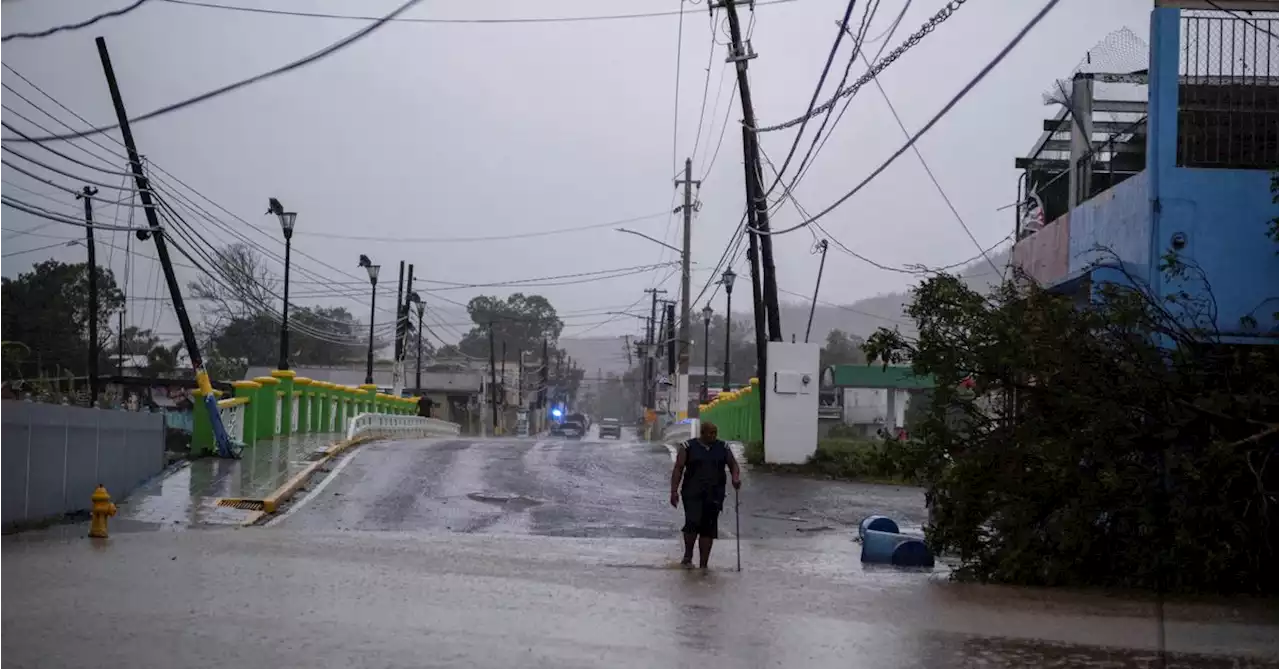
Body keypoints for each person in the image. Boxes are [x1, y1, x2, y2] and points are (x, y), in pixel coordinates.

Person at [669, 420, 741, 569]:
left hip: (714, 494)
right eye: (710, 433)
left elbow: (733, 465)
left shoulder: (723, 447)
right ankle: (688, 557)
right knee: (692, 522)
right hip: (692, 492)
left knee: (708, 528)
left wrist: (735, 478)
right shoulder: (688, 447)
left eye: (715, 433)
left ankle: (704, 565)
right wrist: (673, 491)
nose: (714, 436)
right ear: (702, 433)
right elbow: (678, 469)